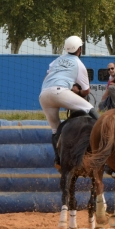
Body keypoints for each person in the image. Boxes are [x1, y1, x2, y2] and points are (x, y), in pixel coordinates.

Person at [39, 35, 99, 170]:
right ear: (80, 49)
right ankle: (105, 130)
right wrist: (76, 91)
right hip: (60, 92)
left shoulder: (56, 61)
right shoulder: (79, 63)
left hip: (43, 94)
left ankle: (58, 159)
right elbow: (86, 91)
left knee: (55, 129)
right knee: (89, 108)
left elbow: (48, 76)